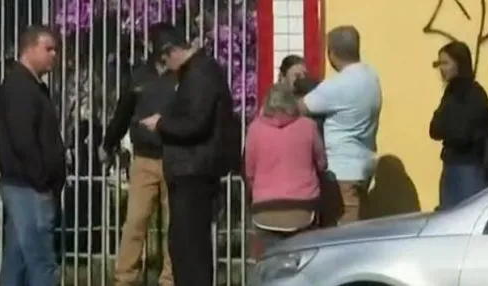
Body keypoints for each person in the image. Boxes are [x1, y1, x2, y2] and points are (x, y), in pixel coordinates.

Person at [138, 23, 239, 286]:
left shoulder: (200, 74)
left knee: (189, 249)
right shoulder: (197, 72)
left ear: (170, 51)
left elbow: (195, 123)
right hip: (190, 169)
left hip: (193, 171)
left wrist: (161, 123)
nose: (163, 67)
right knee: (184, 245)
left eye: (162, 59)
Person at [100, 38, 176, 286]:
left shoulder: (182, 77)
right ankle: (124, 278)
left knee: (172, 225)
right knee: (135, 222)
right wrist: (108, 143)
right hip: (143, 159)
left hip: (173, 158)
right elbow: (123, 113)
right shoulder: (139, 76)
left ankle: (169, 279)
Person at [0, 25, 65, 286]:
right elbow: (23, 139)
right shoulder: (20, 88)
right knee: (42, 261)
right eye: (48, 48)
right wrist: (43, 178)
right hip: (28, 186)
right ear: (29, 48)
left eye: (55, 49)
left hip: (27, 184)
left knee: (18, 260)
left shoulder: (33, 87)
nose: (54, 55)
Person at [303, 26, 381, 226]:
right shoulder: (371, 77)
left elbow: (300, 107)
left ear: (332, 52)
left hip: (342, 172)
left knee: (345, 235)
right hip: (365, 163)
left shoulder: (338, 85)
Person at [245, 82, 326, 251]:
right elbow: (321, 163)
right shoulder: (308, 126)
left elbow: (249, 171)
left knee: (270, 261)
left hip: (265, 209)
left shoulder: (254, 129)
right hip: (303, 208)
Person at [428, 41, 488, 209]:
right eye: (439, 64)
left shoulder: (473, 94)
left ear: (459, 63)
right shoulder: (451, 93)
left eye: (446, 63)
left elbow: (461, 133)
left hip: (469, 168)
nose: (441, 69)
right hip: (452, 167)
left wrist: (447, 126)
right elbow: (434, 129)